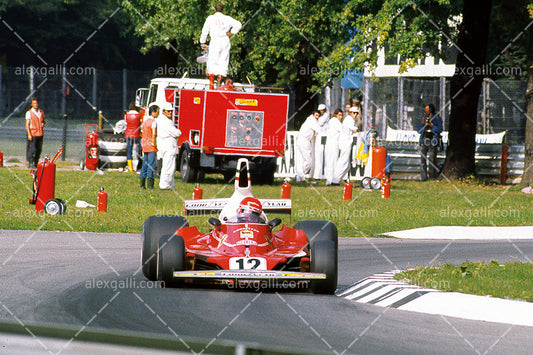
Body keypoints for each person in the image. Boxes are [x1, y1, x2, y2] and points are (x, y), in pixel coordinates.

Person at [200, 3, 242, 86]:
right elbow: (239, 24)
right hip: (224, 40)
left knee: (212, 61)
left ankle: (211, 85)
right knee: (223, 61)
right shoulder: (227, 19)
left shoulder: (210, 18)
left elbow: (205, 31)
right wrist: (231, 32)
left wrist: (202, 42)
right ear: (223, 10)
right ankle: (219, 82)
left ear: (215, 9)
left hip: (215, 41)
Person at [332, 106, 360, 184]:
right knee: (343, 162)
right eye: (354, 113)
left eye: (356, 113)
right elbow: (355, 129)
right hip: (345, 142)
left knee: (346, 163)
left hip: (346, 142)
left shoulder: (349, 119)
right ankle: (335, 180)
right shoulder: (349, 119)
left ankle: (342, 179)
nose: (355, 115)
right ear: (350, 113)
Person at [157, 102, 182, 190]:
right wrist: (178, 131)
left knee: (170, 167)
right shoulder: (166, 122)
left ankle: (170, 185)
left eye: (171, 111)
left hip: (166, 146)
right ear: (163, 111)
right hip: (168, 147)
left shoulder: (162, 120)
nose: (170, 113)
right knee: (168, 167)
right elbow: (176, 133)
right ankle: (164, 185)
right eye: (168, 111)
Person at [417, 103, 443, 181]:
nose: (425, 111)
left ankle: (432, 176)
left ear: (431, 110)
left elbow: (440, 129)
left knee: (432, 159)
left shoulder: (437, 118)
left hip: (433, 139)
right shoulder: (423, 118)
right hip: (424, 139)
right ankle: (423, 177)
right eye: (425, 109)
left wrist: (432, 125)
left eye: (427, 109)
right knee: (423, 159)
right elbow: (418, 130)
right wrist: (423, 125)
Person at [295, 110, 321, 182]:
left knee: (301, 160)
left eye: (318, 116)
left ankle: (299, 177)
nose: (317, 117)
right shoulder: (312, 120)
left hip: (301, 140)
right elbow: (319, 130)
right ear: (313, 114)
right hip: (304, 141)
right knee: (309, 161)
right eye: (316, 115)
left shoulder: (310, 120)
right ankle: (300, 174)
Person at [140, 105, 158, 189]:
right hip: (151, 145)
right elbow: (154, 133)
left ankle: (142, 185)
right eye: (157, 112)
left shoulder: (145, 121)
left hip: (145, 144)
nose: (158, 114)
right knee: (151, 165)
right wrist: (154, 144)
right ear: (153, 112)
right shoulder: (153, 122)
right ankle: (150, 186)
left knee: (144, 164)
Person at [324, 109, 343, 185]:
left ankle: (329, 180)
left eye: (341, 115)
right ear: (335, 115)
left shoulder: (331, 121)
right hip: (333, 144)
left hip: (330, 144)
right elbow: (343, 130)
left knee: (330, 162)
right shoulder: (335, 121)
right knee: (332, 162)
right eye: (339, 115)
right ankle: (330, 180)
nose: (341, 117)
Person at [25, 99, 45, 168]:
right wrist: (29, 134)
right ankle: (30, 162)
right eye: (34, 103)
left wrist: (43, 123)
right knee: (32, 149)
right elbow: (27, 124)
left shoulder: (41, 112)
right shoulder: (29, 113)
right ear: (31, 104)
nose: (36, 104)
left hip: (40, 133)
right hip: (33, 133)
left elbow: (43, 120)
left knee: (39, 149)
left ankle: (36, 162)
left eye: (36, 103)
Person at [124, 102, 142, 172]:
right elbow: (140, 124)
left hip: (128, 134)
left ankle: (130, 168)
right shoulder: (138, 115)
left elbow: (126, 123)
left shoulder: (126, 115)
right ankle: (136, 166)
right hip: (136, 135)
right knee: (136, 150)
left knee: (129, 151)